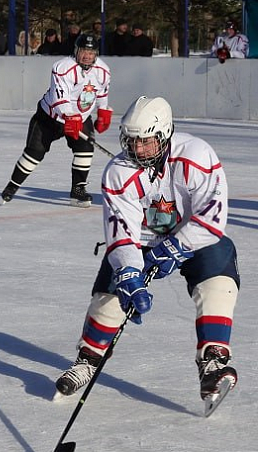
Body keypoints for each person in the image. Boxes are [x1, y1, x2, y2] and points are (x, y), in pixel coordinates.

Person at [54, 96, 239, 407]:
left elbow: (212, 219)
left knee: (219, 265)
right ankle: (88, 358)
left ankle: (212, 361)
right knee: (113, 291)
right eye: (131, 141)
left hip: (191, 236)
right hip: (142, 240)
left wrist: (177, 246)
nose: (137, 149)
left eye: (145, 142)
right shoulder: (118, 172)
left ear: (164, 135)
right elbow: (120, 231)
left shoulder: (197, 156)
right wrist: (128, 271)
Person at [0, 34, 112, 207]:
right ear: (76, 51)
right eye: (84, 51)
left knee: (85, 151)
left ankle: (78, 191)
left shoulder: (103, 71)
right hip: (50, 118)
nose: (87, 56)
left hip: (80, 117)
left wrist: (103, 110)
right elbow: (59, 97)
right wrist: (69, 115)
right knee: (34, 154)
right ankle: (13, 185)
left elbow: (102, 92)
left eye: (91, 52)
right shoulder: (62, 67)